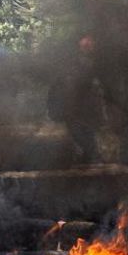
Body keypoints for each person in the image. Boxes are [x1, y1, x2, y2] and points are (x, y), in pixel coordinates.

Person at [48, 35, 106, 163]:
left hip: (87, 104)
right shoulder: (73, 62)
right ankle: (89, 155)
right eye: (85, 46)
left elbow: (97, 83)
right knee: (76, 129)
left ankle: (92, 155)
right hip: (74, 103)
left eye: (90, 46)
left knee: (87, 130)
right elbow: (64, 81)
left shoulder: (98, 62)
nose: (88, 48)